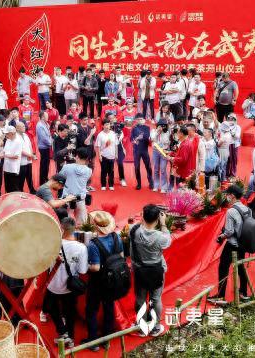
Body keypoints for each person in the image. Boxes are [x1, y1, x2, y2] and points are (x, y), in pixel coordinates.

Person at [44, 216, 87, 348]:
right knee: (70, 313)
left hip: (53, 284)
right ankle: (71, 338)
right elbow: (83, 271)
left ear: (61, 229)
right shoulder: (81, 248)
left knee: (50, 308)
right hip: (70, 286)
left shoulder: (52, 243)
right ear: (75, 229)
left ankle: (62, 331)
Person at [84, 211, 124, 351]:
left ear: (95, 227)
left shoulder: (93, 244)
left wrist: (85, 266)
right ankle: (106, 339)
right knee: (109, 308)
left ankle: (93, 341)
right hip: (112, 280)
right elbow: (121, 256)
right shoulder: (116, 237)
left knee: (92, 310)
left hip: (97, 282)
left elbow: (94, 267)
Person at [130, 204, 171, 337]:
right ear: (157, 219)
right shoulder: (160, 236)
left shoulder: (134, 230)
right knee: (156, 298)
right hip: (156, 270)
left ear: (143, 215)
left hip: (140, 269)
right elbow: (168, 241)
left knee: (140, 299)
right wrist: (163, 223)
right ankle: (155, 327)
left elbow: (131, 249)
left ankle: (141, 328)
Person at [208, 185, 250, 303]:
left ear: (232, 196)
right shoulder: (247, 209)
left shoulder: (231, 211)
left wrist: (221, 236)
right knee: (241, 267)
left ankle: (220, 296)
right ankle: (244, 293)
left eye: (227, 195)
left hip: (232, 244)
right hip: (243, 244)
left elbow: (229, 231)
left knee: (223, 268)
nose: (226, 197)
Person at [59, 148, 91, 224]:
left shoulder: (67, 167)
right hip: (80, 199)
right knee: (82, 224)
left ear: (76, 156)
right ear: (87, 158)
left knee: (65, 222)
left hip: (67, 198)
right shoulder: (89, 171)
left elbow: (59, 178)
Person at [131, 114, 153, 190]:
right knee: (136, 167)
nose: (140, 120)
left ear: (144, 120)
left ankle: (151, 182)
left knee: (148, 167)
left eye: (141, 119)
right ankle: (139, 183)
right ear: (136, 120)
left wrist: (140, 137)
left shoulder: (147, 128)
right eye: (138, 119)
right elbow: (132, 139)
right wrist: (135, 141)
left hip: (144, 150)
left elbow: (147, 137)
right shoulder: (134, 128)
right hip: (136, 150)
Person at [95, 120, 117, 190]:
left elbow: (116, 144)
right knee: (103, 171)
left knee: (111, 171)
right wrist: (99, 156)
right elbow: (98, 146)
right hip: (103, 155)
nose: (107, 126)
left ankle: (111, 185)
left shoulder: (113, 134)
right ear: (103, 126)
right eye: (106, 125)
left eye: (108, 124)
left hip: (112, 155)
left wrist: (116, 154)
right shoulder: (100, 135)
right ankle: (103, 185)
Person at [2, 126, 22, 193]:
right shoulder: (8, 140)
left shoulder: (18, 142)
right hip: (6, 168)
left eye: (7, 133)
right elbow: (4, 151)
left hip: (14, 169)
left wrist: (5, 155)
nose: (6, 135)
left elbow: (16, 156)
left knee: (14, 189)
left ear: (12, 133)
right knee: (7, 188)